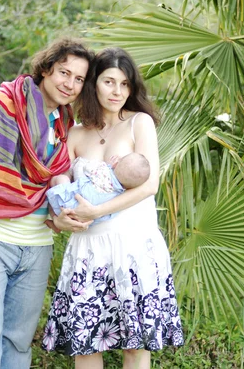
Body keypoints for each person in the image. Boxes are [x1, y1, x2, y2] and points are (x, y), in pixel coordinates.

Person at [0, 37, 94, 368]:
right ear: (45, 69)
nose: (70, 84)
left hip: (36, 248)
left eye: (79, 79)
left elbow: (54, 187)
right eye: (63, 72)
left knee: (17, 348)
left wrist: (64, 219)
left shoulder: (65, 124)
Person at [42, 47, 184, 369]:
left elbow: (150, 185)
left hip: (134, 246)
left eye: (124, 84)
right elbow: (59, 180)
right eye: (108, 82)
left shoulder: (139, 123)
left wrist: (94, 212)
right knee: (87, 344)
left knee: (135, 346)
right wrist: (61, 214)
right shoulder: (76, 133)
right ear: (93, 84)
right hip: (89, 249)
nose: (117, 91)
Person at [46, 152, 150, 225]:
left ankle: (53, 212)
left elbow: (86, 167)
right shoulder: (120, 196)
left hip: (67, 203)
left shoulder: (103, 171)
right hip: (82, 220)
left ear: (116, 164)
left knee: (60, 179)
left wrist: (108, 164)